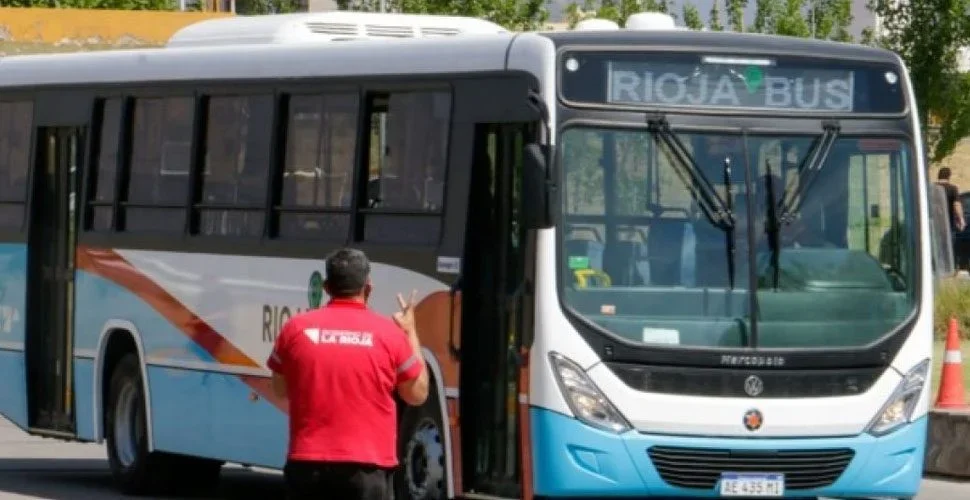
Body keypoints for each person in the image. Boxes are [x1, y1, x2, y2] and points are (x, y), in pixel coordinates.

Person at [267, 247, 430, 500]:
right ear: (368, 287)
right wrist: (410, 332)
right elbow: (417, 394)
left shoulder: (295, 329)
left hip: (307, 465)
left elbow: (280, 388)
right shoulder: (389, 334)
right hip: (367, 469)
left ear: (326, 287)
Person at [936, 167, 966, 234]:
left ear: (939, 175)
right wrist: (961, 219)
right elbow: (956, 204)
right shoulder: (952, 189)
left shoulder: (932, 188)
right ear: (949, 176)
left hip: (934, 224)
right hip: (948, 224)